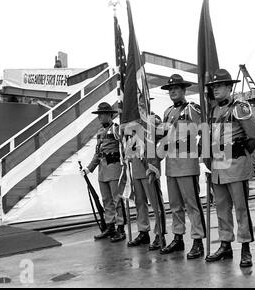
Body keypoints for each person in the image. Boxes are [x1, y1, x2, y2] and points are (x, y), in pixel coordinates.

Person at [204, 69, 255, 267]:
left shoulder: (240, 107)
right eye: (213, 86)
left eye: (219, 86)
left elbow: (253, 135)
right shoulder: (213, 111)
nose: (216, 89)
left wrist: (239, 152)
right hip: (218, 167)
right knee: (221, 208)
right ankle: (225, 244)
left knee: (241, 208)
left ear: (229, 87)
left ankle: (245, 248)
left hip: (235, 164)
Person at [157, 74, 206, 259]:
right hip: (171, 163)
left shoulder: (192, 109)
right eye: (170, 89)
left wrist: (201, 152)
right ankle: (178, 238)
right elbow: (162, 137)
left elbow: (205, 131)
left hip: (186, 162)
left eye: (176, 88)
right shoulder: (168, 112)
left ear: (184, 90)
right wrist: (156, 159)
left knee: (192, 204)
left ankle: (198, 240)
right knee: (175, 205)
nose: (173, 91)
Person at [83, 102, 126, 242]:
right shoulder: (100, 132)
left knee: (117, 200)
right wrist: (89, 168)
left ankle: (120, 228)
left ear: (110, 115)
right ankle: (110, 226)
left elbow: (124, 144)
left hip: (114, 168)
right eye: (99, 114)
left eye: (102, 114)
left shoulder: (116, 129)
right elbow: (97, 153)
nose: (100, 117)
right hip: (103, 170)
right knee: (106, 200)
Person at [124, 114, 167, 250]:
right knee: (140, 203)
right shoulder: (131, 123)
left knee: (156, 204)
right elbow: (130, 148)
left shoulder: (152, 119)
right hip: (136, 169)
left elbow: (163, 134)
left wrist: (147, 129)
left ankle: (160, 235)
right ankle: (143, 231)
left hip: (149, 168)